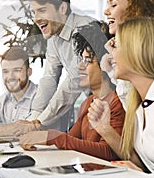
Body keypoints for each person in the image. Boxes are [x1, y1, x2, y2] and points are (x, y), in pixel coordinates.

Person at [90, 17, 154, 176]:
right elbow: (144, 163)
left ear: (135, 51)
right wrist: (105, 129)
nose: (110, 53)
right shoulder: (142, 101)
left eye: (116, 46)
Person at [19, 24, 125, 161]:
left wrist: (53, 137)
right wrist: (41, 136)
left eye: (87, 61)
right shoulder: (88, 102)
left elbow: (109, 152)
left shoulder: (118, 103)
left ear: (106, 64)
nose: (80, 66)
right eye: (80, 60)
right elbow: (71, 141)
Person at [14, 0, 103, 134]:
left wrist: (39, 123)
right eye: (34, 12)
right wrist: (32, 119)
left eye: (42, 10)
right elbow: (49, 78)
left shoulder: (85, 29)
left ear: (62, 8)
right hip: (93, 102)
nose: (36, 18)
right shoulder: (54, 36)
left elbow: (74, 82)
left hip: (113, 103)